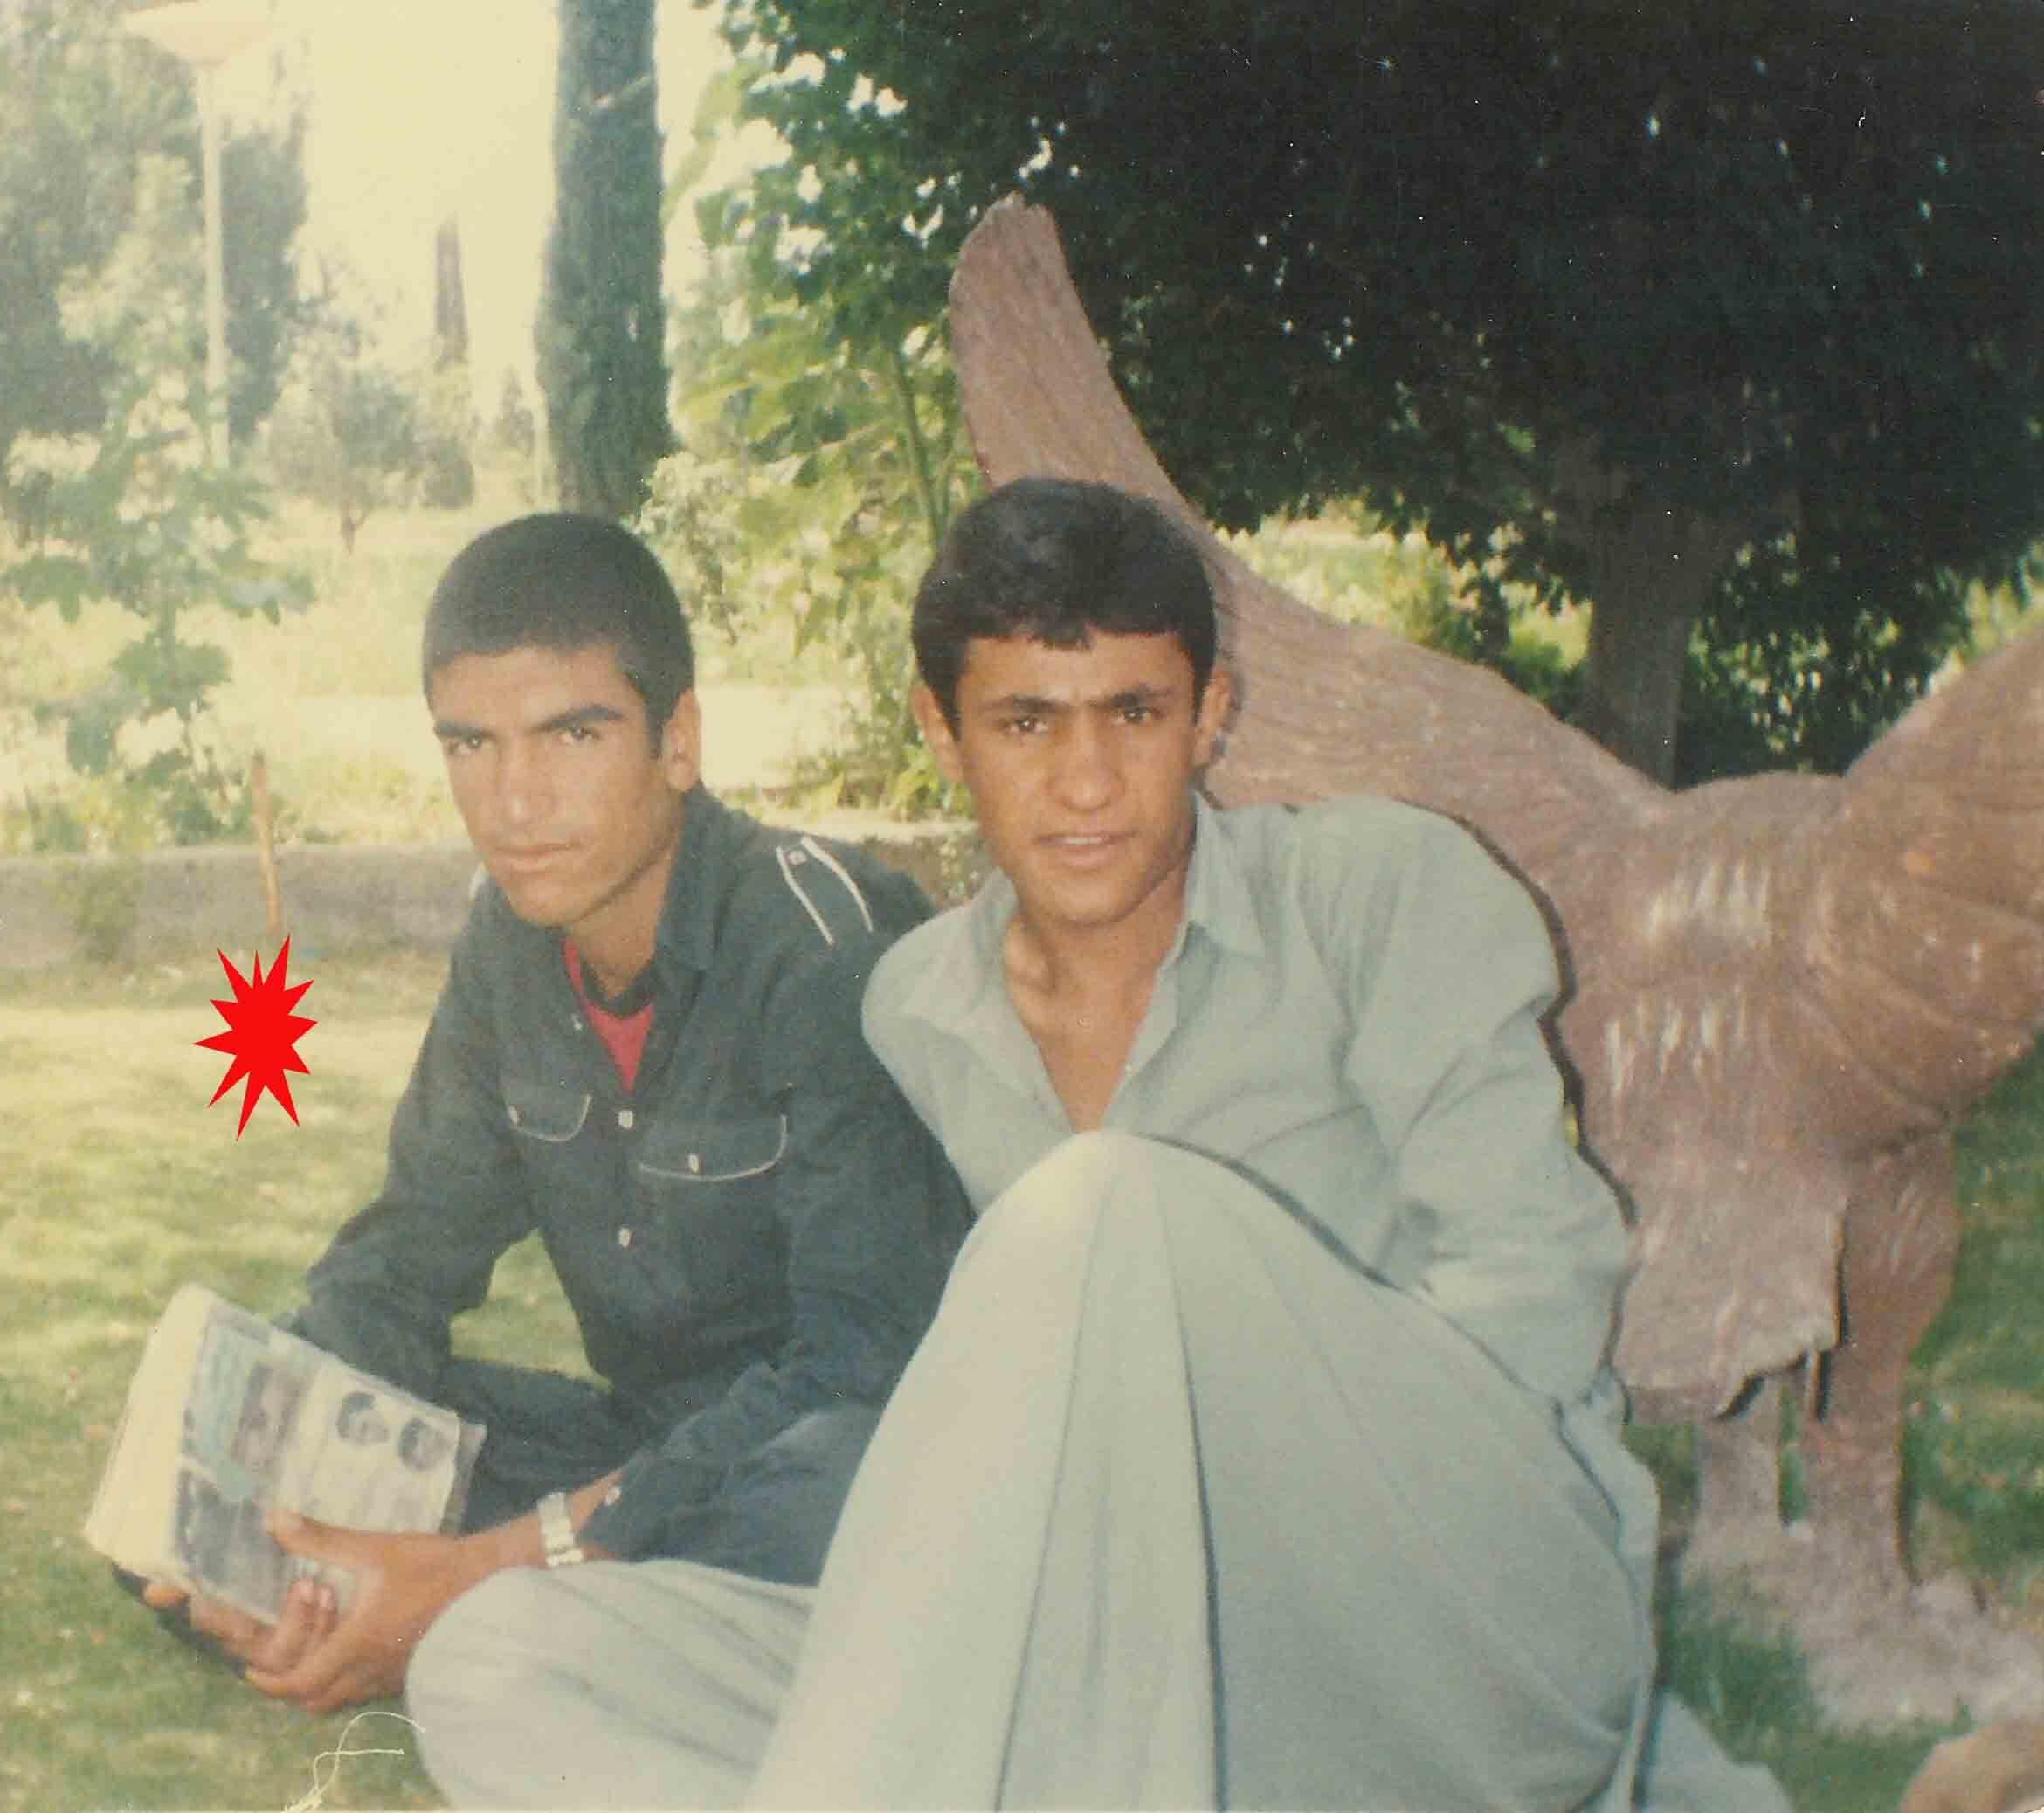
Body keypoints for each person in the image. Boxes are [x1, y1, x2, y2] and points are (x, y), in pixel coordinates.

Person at [412, 478, 1789, 1810]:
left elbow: (1533, 1325)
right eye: (1025, 722)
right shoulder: (917, 1008)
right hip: (1139, 1651)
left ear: (1210, 716)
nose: (1086, 783)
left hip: (1463, 1626)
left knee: (1106, 1210)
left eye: (1134, 712)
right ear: (942, 732)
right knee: (499, 1661)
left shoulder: (1378, 896)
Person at [127, 513, 968, 1732]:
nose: (515, 801)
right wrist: (262, 1493)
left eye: (574, 734)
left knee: (828, 1482)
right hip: (634, 1455)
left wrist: (490, 1559)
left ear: (677, 740)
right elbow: (410, 1253)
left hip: (827, 1463)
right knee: (214, 1458)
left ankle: (488, 1602)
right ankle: (425, 1602)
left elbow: (866, 1362)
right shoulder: (509, 938)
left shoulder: (817, 941)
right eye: (472, 743)